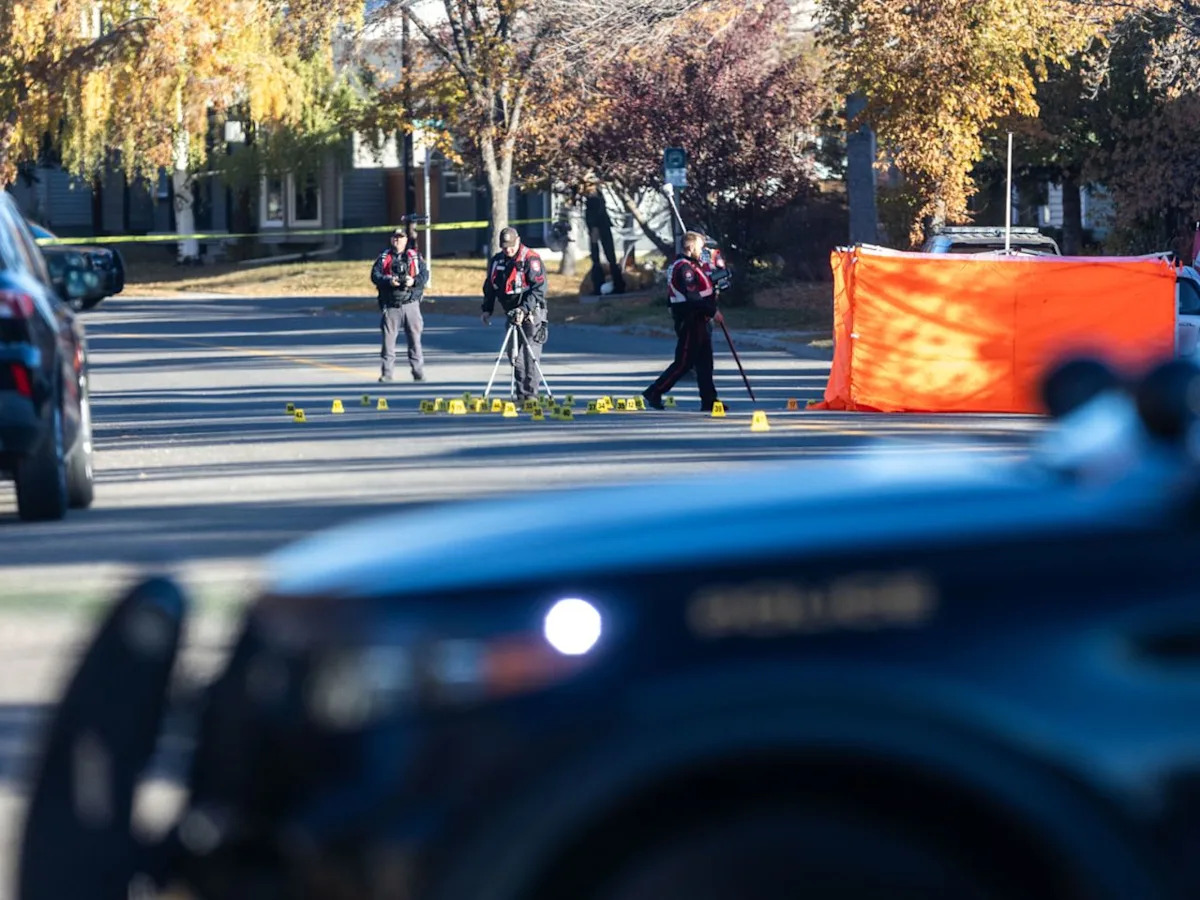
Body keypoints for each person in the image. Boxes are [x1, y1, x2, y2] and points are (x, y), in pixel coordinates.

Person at [642, 230, 723, 411]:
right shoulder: (684, 268)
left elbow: (704, 289)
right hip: (691, 320)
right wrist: (712, 311)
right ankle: (654, 391)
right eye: (700, 247)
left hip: (701, 319)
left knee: (705, 363)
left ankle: (709, 400)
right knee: (684, 362)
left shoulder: (693, 266)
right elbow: (692, 296)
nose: (703, 251)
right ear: (691, 246)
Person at [481, 226, 548, 401]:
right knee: (514, 354)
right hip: (511, 313)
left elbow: (539, 289)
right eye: (504, 247)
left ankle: (530, 394)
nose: (508, 250)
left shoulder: (531, 259)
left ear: (518, 240)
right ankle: (520, 394)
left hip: (532, 312)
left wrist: (524, 309)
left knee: (529, 353)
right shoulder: (497, 261)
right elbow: (490, 287)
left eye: (511, 245)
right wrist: (487, 309)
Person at [371, 226, 429, 382]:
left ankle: (418, 372)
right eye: (395, 237)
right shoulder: (384, 257)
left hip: (411, 304)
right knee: (388, 343)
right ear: (391, 239)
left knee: (415, 341)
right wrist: (389, 281)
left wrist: (413, 281)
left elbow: (424, 275)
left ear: (406, 240)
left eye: (401, 237)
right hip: (391, 306)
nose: (397, 240)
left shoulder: (415, 257)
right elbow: (375, 276)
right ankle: (387, 373)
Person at [585, 186, 626, 295]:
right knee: (603, 257)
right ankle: (613, 285)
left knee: (602, 257)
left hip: (600, 225)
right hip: (601, 225)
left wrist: (593, 227)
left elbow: (596, 214)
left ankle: (613, 285)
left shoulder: (595, 202)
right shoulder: (598, 200)